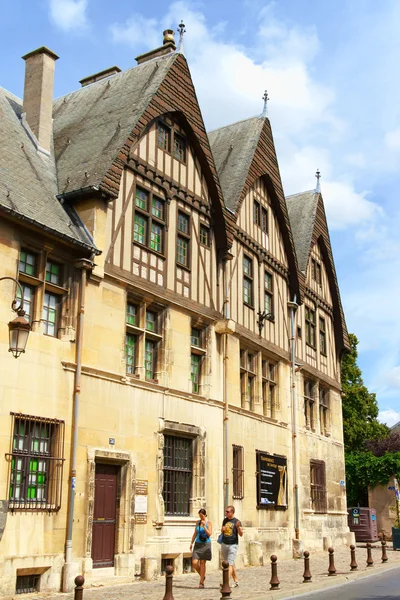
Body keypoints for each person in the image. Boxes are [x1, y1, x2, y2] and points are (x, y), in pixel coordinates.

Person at [220, 505, 243, 587]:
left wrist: (239, 528)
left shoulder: (237, 521)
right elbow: (222, 531)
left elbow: (241, 534)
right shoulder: (225, 520)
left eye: (227, 511)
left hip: (233, 545)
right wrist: (222, 530)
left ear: (232, 512)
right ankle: (236, 580)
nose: (226, 513)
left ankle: (225, 583)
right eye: (226, 511)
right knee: (230, 563)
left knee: (229, 564)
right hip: (224, 543)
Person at [190, 508, 212, 588]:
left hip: (205, 544)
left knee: (202, 563)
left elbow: (210, 534)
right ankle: (202, 575)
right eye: (199, 516)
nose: (201, 517)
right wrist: (191, 543)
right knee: (195, 563)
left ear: (205, 515)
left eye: (202, 516)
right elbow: (195, 533)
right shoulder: (197, 522)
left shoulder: (209, 523)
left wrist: (204, 527)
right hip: (198, 544)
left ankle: (201, 582)